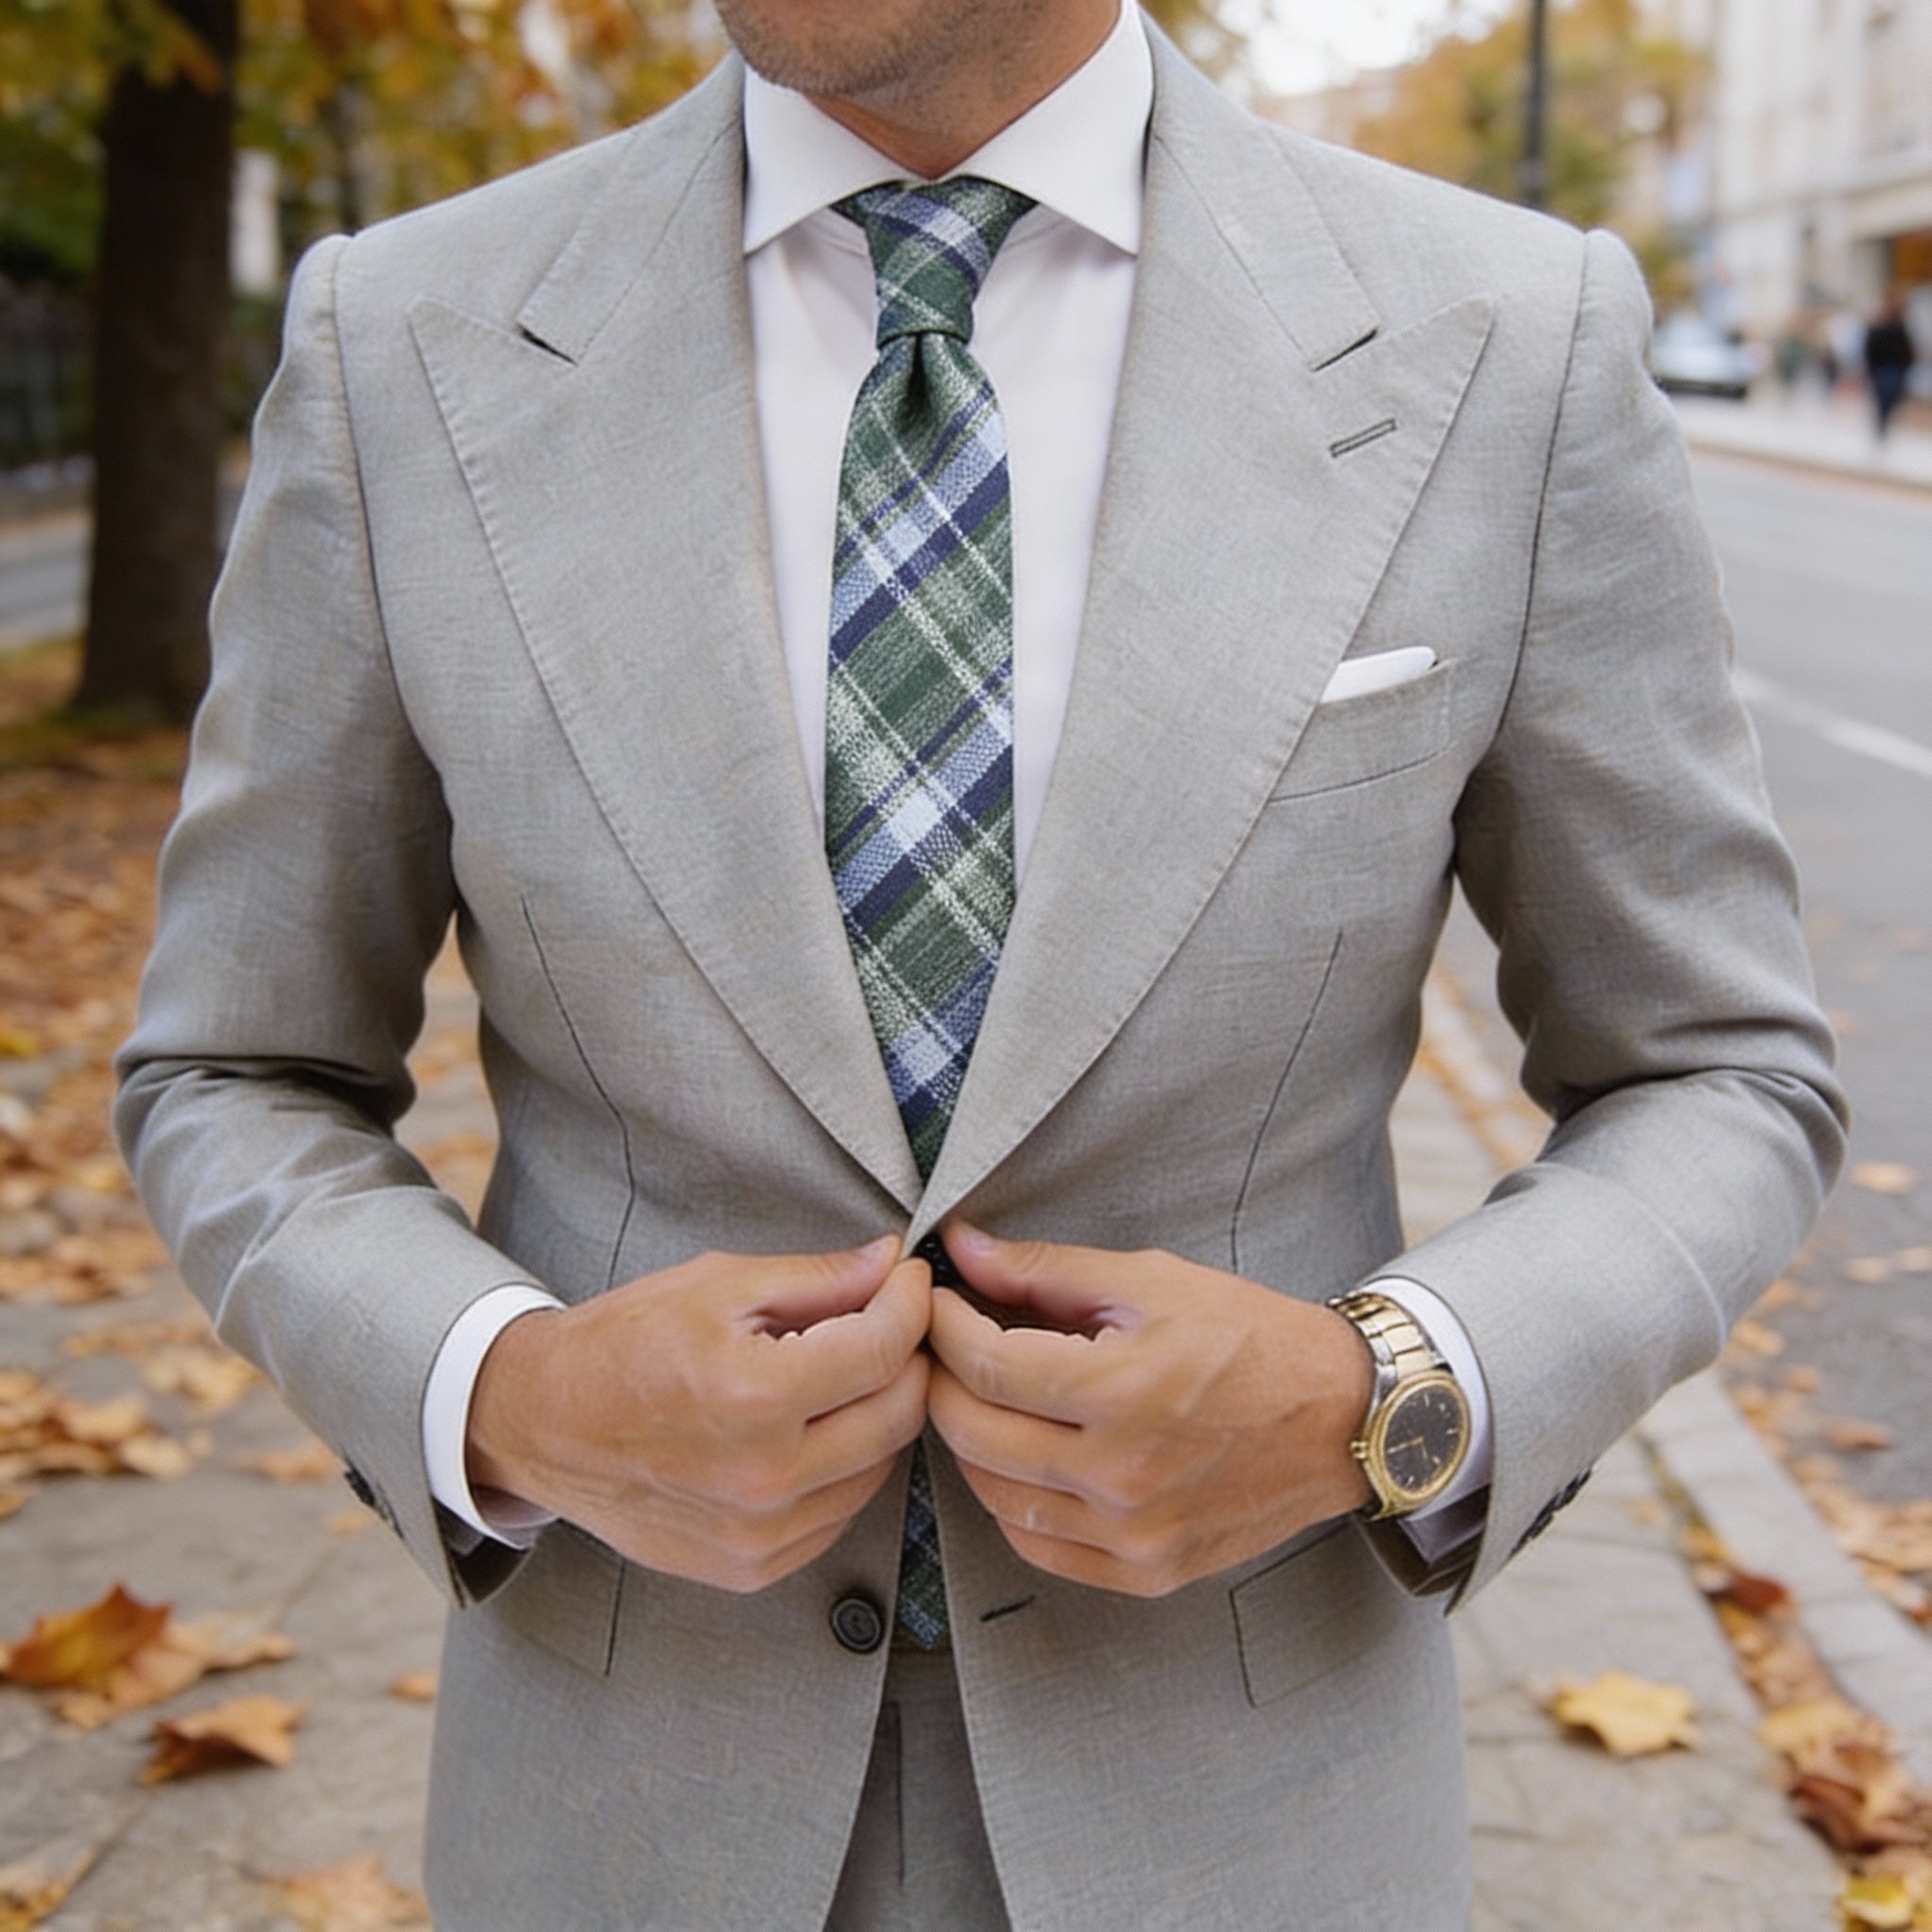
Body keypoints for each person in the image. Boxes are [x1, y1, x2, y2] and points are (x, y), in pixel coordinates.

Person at [116, 3, 1845, 1927]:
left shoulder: (1507, 341)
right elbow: (234, 1065)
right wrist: (503, 1393)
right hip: (626, 1811)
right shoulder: (403, 345)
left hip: (1250, 1812)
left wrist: (1384, 1395)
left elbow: (1716, 1068)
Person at [1865, 291, 1918, 439]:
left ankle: (1883, 425)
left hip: (1892, 370)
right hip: (1884, 370)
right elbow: (1871, 350)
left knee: (1889, 400)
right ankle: (1881, 427)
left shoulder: (1899, 328)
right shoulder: (1880, 328)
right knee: (1883, 400)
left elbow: (1907, 351)